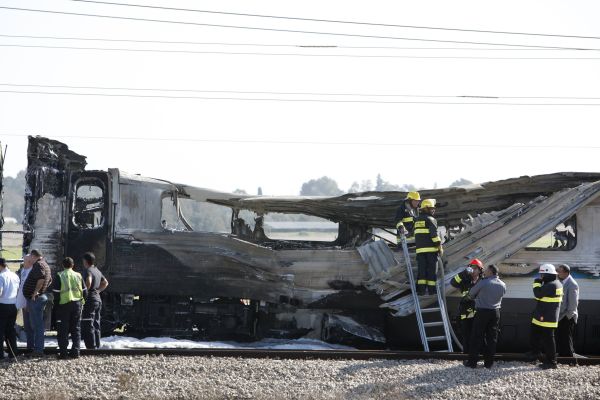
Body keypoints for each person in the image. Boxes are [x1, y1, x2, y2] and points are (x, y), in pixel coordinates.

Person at [464, 264, 506, 369]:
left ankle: (472, 363)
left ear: (491, 271)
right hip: (496, 313)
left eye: (486, 270)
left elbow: (471, 293)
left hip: (482, 312)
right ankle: (489, 363)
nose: (485, 272)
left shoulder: (484, 282)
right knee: (492, 338)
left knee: (476, 337)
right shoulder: (503, 284)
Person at [526, 263, 563, 369]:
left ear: (547, 274)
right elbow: (541, 297)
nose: (540, 277)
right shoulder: (553, 283)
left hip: (547, 317)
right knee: (535, 335)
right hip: (542, 315)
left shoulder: (552, 285)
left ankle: (552, 362)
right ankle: (535, 353)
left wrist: (536, 283)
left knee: (548, 340)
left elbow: (537, 294)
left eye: (542, 275)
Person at [52, 257, 86, 359]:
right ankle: (76, 352)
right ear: (73, 265)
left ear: (63, 265)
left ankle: (63, 353)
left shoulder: (60, 275)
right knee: (76, 328)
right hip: (77, 304)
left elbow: (56, 294)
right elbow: (85, 291)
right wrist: (81, 302)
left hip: (63, 305)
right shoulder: (78, 275)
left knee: (63, 329)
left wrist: (57, 306)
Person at [22, 249, 52, 357]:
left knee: (37, 325)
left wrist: (36, 292)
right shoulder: (45, 265)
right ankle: (36, 348)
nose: (29, 258)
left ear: (34, 256)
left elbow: (41, 279)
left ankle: (38, 350)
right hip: (38, 298)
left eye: (30, 257)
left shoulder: (38, 265)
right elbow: (50, 280)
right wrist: (43, 289)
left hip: (36, 299)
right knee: (36, 324)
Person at [450, 258, 484, 354]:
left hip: (479, 312)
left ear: (480, 270)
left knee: (479, 334)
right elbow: (453, 282)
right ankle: (467, 355)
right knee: (466, 335)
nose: (473, 270)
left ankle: (478, 354)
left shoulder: (483, 281)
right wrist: (464, 273)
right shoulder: (465, 279)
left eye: (475, 268)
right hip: (466, 312)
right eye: (471, 268)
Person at [413, 199, 442, 295]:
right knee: (431, 271)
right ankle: (431, 291)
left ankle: (421, 291)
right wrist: (439, 247)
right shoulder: (431, 219)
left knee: (422, 271)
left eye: (434, 208)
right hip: (431, 251)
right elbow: (434, 235)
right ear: (426, 209)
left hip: (420, 251)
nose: (433, 210)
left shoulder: (417, 220)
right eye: (431, 208)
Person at [81, 252, 108, 349]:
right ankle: (97, 345)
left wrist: (85, 292)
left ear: (85, 261)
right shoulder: (97, 270)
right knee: (96, 323)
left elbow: (88, 280)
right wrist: (98, 291)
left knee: (88, 322)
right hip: (97, 299)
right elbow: (105, 282)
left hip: (90, 300)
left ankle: (91, 347)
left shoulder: (88, 270)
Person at [556, 264, 579, 358]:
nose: (557, 273)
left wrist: (568, 316)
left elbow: (573, 303)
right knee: (562, 337)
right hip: (562, 315)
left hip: (568, 316)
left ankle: (568, 357)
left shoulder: (572, 284)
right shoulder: (563, 281)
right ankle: (563, 355)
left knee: (566, 337)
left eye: (559, 271)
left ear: (566, 272)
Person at [0, 258, 20, 362]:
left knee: (0, 330)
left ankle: (1, 355)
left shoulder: (1, 276)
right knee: (10, 330)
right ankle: (13, 353)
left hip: (2, 305)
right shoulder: (15, 276)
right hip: (13, 305)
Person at [16, 260, 34, 352]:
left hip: (27, 302)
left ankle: (31, 346)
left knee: (30, 325)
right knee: (28, 325)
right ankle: (30, 345)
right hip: (24, 302)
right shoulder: (23, 272)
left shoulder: (29, 273)